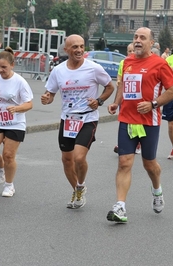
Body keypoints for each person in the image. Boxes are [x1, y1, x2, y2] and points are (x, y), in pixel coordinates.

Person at [106, 27, 173, 223]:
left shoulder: (160, 64)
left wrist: (153, 104)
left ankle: (157, 190)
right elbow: (122, 86)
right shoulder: (127, 62)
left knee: (149, 164)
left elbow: (172, 91)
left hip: (149, 121)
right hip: (127, 120)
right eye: (136, 37)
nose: (137, 40)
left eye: (142, 38)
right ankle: (120, 207)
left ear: (151, 43)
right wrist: (116, 103)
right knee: (124, 162)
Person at [41, 34, 114, 209]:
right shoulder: (58, 71)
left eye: (82, 46)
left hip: (88, 118)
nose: (79, 50)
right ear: (66, 50)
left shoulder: (93, 68)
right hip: (67, 119)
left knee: (79, 157)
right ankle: (77, 190)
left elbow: (110, 86)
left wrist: (99, 101)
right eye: (75, 47)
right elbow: (50, 93)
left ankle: (80, 185)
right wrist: (47, 98)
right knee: (67, 160)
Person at [0, 47, 34, 197]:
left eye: (4, 67)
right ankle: (1, 167)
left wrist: (17, 109)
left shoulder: (20, 82)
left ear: (12, 65)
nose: (0, 70)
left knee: (9, 155)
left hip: (15, 123)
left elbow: (29, 104)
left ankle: (9, 185)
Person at [113, 43, 141, 154]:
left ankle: (137, 143)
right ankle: (123, 144)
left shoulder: (140, 63)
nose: (131, 53)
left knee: (137, 121)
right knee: (125, 120)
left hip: (138, 97)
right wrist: (119, 83)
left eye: (133, 50)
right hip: (125, 97)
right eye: (129, 51)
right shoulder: (123, 63)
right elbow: (120, 77)